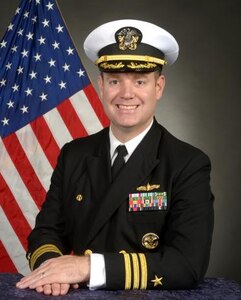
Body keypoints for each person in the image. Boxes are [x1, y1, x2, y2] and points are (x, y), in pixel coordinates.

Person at [16, 19, 214, 296]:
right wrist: (53, 269)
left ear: (158, 87)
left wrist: (85, 268)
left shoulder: (187, 164)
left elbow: (187, 264)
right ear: (101, 85)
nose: (126, 94)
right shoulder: (75, 154)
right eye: (114, 81)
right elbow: (46, 232)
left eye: (140, 81)